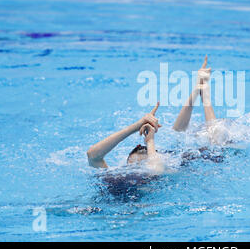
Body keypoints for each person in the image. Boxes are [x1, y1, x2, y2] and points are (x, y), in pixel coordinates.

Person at [86, 55, 221, 172]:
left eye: (141, 164)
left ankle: (203, 91)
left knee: (208, 139)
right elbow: (92, 155)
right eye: (140, 165)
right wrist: (144, 133)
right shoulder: (119, 177)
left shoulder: (166, 164)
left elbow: (156, 169)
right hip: (202, 161)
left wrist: (145, 133)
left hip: (196, 160)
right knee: (216, 139)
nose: (139, 166)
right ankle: (204, 92)